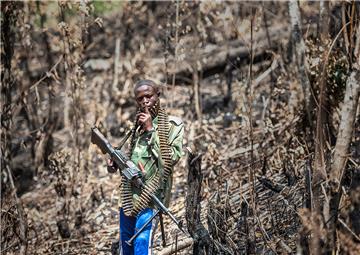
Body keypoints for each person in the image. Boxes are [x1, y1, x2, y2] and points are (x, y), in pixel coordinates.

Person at [107, 79, 184, 255]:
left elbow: (171, 159)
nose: (145, 101)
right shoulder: (135, 129)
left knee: (141, 245)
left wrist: (151, 131)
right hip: (128, 197)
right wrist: (114, 164)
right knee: (126, 247)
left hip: (151, 197)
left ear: (158, 95)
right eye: (140, 98)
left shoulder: (172, 125)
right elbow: (131, 162)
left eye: (148, 96)